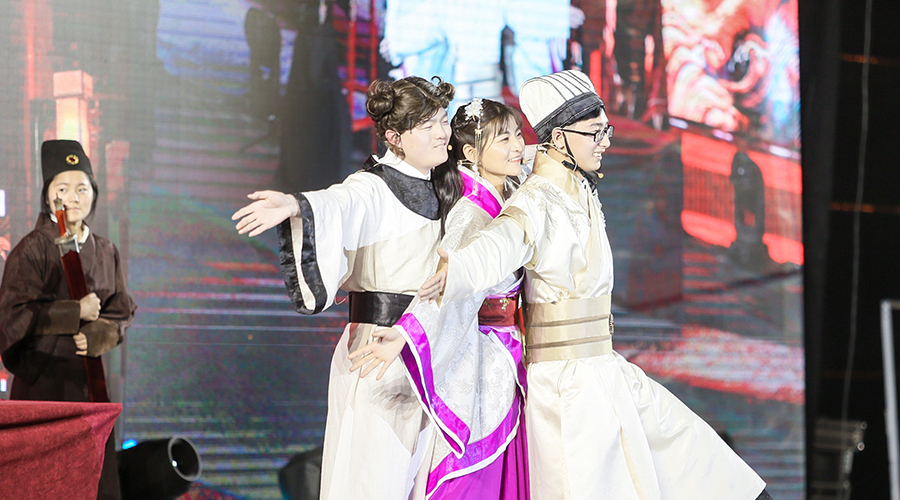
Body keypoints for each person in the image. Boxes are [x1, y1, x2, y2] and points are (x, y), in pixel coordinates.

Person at [419, 70, 773, 499]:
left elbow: (535, 150)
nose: (605, 141)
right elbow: (502, 241)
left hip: (605, 368)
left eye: (606, 130)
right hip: (566, 386)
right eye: (595, 132)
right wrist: (457, 269)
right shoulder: (536, 199)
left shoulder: (573, 179)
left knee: (707, 469)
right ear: (560, 138)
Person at [232, 76, 454, 500]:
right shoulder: (371, 185)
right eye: (428, 125)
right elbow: (338, 202)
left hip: (431, 345)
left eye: (443, 120)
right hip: (378, 349)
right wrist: (296, 204)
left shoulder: (444, 185)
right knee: (372, 477)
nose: (442, 132)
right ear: (395, 137)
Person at [364, 98, 530, 499]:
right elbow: (444, 285)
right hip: (484, 362)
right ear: (471, 153)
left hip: (506, 352)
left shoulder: (506, 189)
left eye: (519, 135)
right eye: (504, 139)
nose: (518, 147)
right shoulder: (472, 212)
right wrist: (406, 333)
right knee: (476, 477)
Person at [0, 139, 137, 500]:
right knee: (45, 481)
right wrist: (73, 313)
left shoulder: (106, 250)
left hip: (91, 385)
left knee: (94, 478)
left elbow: (121, 310)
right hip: (44, 386)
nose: (72, 197)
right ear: (47, 196)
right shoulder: (31, 249)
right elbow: (12, 316)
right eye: (62, 188)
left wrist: (102, 333)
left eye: (82, 188)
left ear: (94, 194)